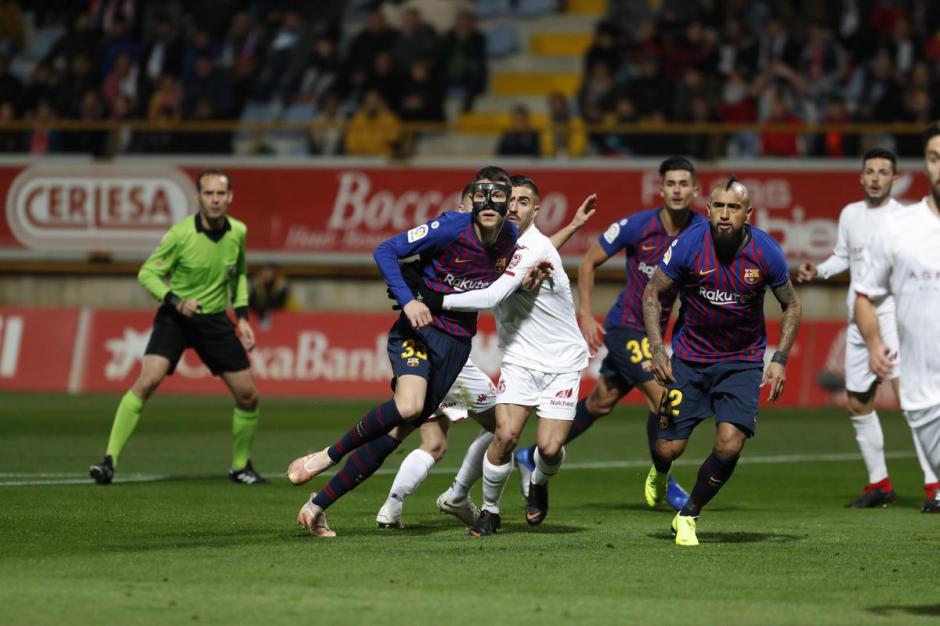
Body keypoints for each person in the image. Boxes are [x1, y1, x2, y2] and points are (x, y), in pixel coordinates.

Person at [287, 166, 519, 537]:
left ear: (509, 206)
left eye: (499, 198)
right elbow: (385, 249)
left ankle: (317, 506)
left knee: (394, 435)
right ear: (471, 201)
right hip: (418, 331)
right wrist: (410, 302)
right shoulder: (449, 228)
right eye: (480, 197)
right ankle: (325, 456)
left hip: (456, 346)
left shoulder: (511, 238)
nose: (488, 205)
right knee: (409, 406)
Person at [375, 184, 597, 529]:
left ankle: (405, 503)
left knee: (437, 435)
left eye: (521, 202)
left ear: (535, 210)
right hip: (475, 353)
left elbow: (509, 275)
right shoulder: (484, 242)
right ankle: (474, 503)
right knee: (496, 432)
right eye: (506, 201)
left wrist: (427, 298)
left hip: (550, 360)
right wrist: (422, 298)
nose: (510, 208)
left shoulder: (510, 247)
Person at [514, 156, 706, 512]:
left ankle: (529, 456)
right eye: (671, 183)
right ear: (660, 188)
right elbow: (588, 261)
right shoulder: (637, 226)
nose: (677, 190)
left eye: (684, 184)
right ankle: (663, 478)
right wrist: (585, 313)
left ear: (695, 190)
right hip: (625, 328)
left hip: (654, 333)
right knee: (663, 396)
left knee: (600, 402)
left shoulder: (701, 232)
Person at [643, 177, 802, 546]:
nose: (725, 214)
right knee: (668, 448)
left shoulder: (766, 252)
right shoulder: (688, 246)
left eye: (734, 207)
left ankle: (689, 514)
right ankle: (661, 472)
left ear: (748, 214)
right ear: (709, 210)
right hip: (689, 362)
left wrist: (779, 358)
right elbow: (653, 292)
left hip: (742, 363)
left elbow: (791, 303)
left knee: (730, 444)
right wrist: (656, 347)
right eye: (719, 206)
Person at [89, 170, 265, 485]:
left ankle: (241, 466)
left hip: (213, 321)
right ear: (198, 197)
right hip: (176, 318)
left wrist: (242, 318)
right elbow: (147, 273)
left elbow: (238, 274)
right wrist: (175, 300)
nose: (214, 200)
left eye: (220, 194)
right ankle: (109, 461)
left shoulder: (238, 231)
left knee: (248, 396)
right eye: (208, 193)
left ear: (230, 198)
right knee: (147, 381)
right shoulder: (179, 234)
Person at [797, 148, 939, 511]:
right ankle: (880, 483)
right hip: (858, 319)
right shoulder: (850, 215)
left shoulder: (903, 220)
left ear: (895, 178)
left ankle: (933, 486)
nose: (876, 177)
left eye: (883, 171)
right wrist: (820, 271)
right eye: (870, 171)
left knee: (913, 401)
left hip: (891, 316)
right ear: (861, 177)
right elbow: (844, 256)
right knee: (858, 402)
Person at [855, 124, 940, 514]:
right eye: (935, 158)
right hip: (924, 392)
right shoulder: (900, 229)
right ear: (924, 164)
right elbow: (865, 295)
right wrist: (874, 343)